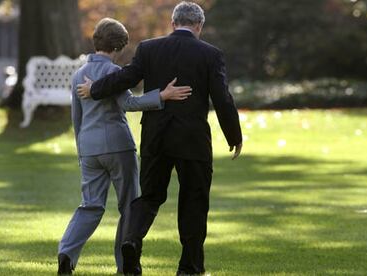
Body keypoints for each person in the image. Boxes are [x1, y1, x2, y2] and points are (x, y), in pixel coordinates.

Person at [77, 2, 243, 275]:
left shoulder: (149, 48)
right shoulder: (211, 54)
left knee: (150, 196)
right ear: (198, 26)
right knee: (194, 200)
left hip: (156, 137)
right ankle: (189, 267)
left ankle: (131, 241)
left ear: (173, 23)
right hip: (193, 140)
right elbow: (222, 98)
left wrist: (95, 89)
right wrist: (234, 135)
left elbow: (126, 77)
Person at [57, 18, 191, 275]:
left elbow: (77, 119)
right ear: (119, 46)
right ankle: (125, 265)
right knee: (130, 205)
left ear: (96, 41)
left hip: (89, 149)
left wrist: (81, 153)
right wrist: (161, 96)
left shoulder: (78, 75)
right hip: (118, 146)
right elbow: (129, 105)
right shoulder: (114, 74)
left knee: (90, 205)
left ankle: (66, 252)